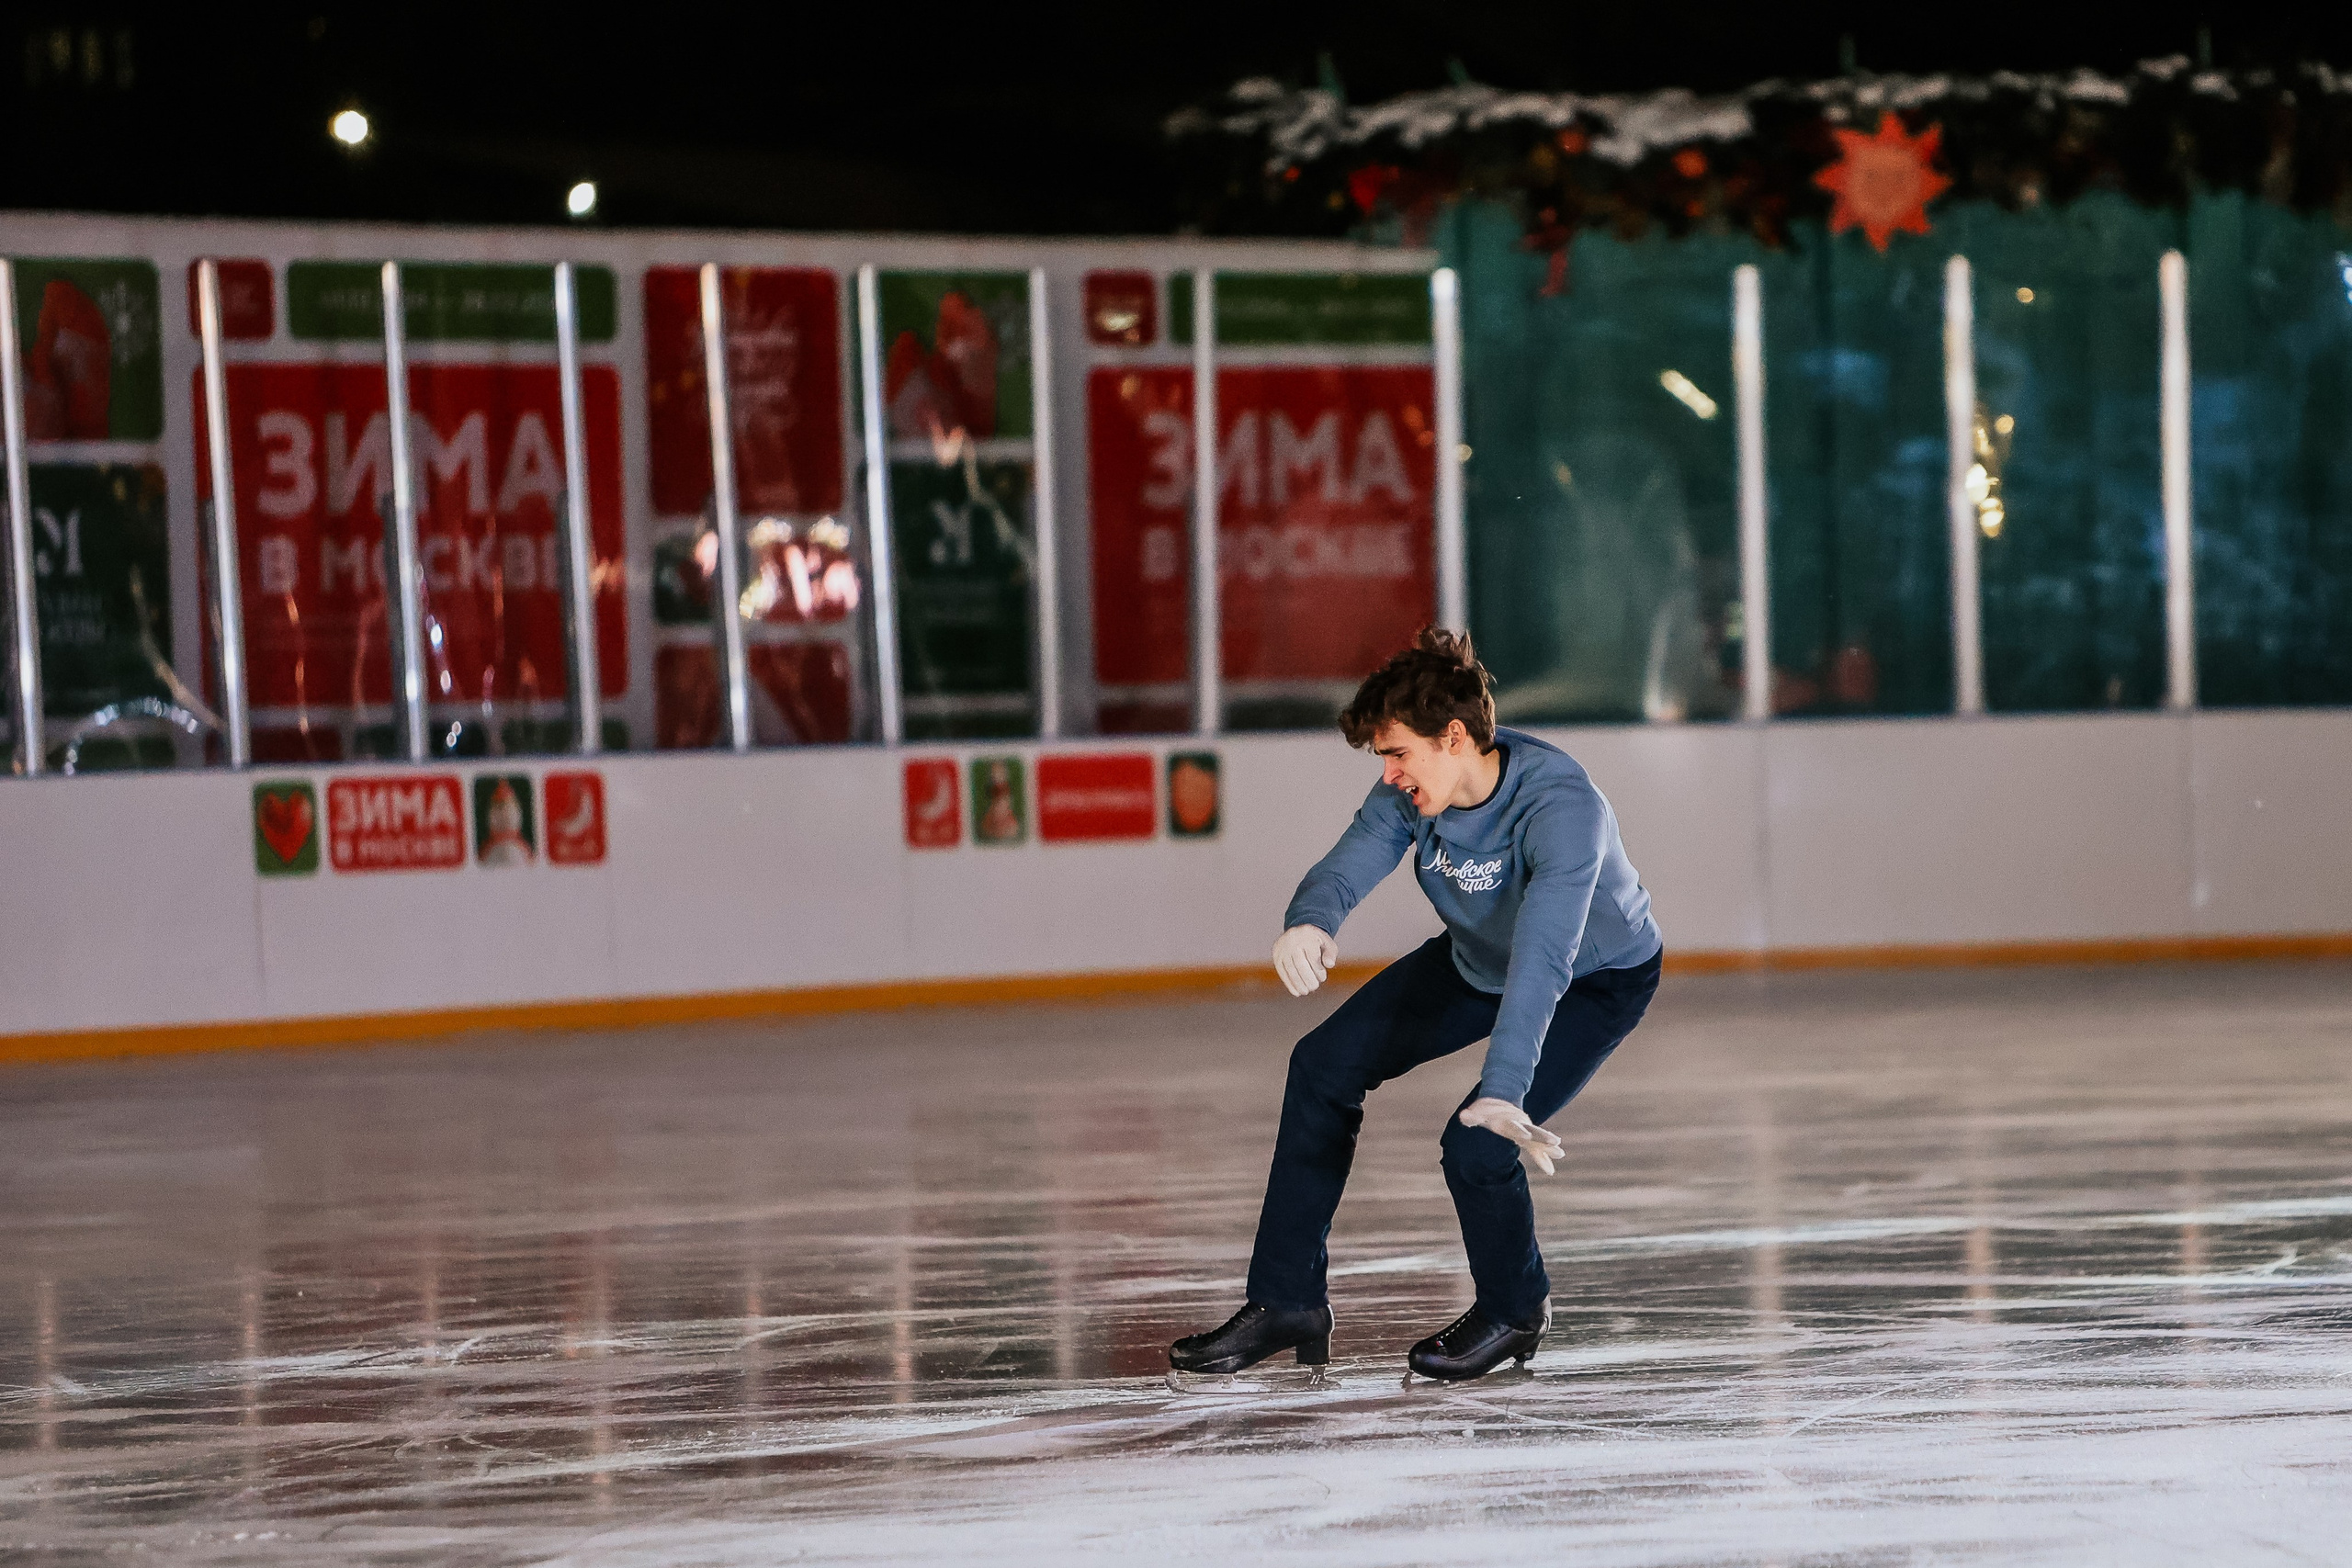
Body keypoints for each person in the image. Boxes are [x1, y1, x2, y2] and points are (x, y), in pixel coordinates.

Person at [1170, 628, 1663, 1382]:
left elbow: (1544, 958)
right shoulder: (1410, 791)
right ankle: (1287, 1299)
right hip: (1477, 960)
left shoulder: (1565, 810)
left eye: (1398, 752)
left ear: (1454, 736)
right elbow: (1355, 852)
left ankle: (1514, 1309)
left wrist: (1502, 1088)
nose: (1390, 773)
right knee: (1322, 1065)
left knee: (1477, 1144)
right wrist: (1311, 917)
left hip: (1591, 978)